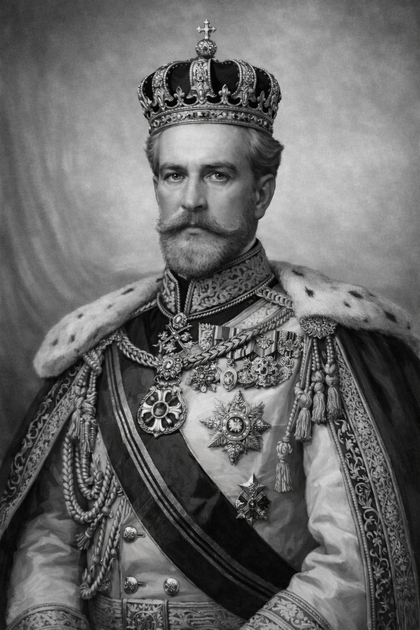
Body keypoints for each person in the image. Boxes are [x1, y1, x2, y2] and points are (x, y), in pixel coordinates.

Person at [0, 19, 419, 630]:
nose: (190, 200)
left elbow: (352, 568)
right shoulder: (104, 347)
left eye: (218, 175)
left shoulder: (323, 347)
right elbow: (50, 531)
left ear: (263, 191)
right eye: (174, 175)